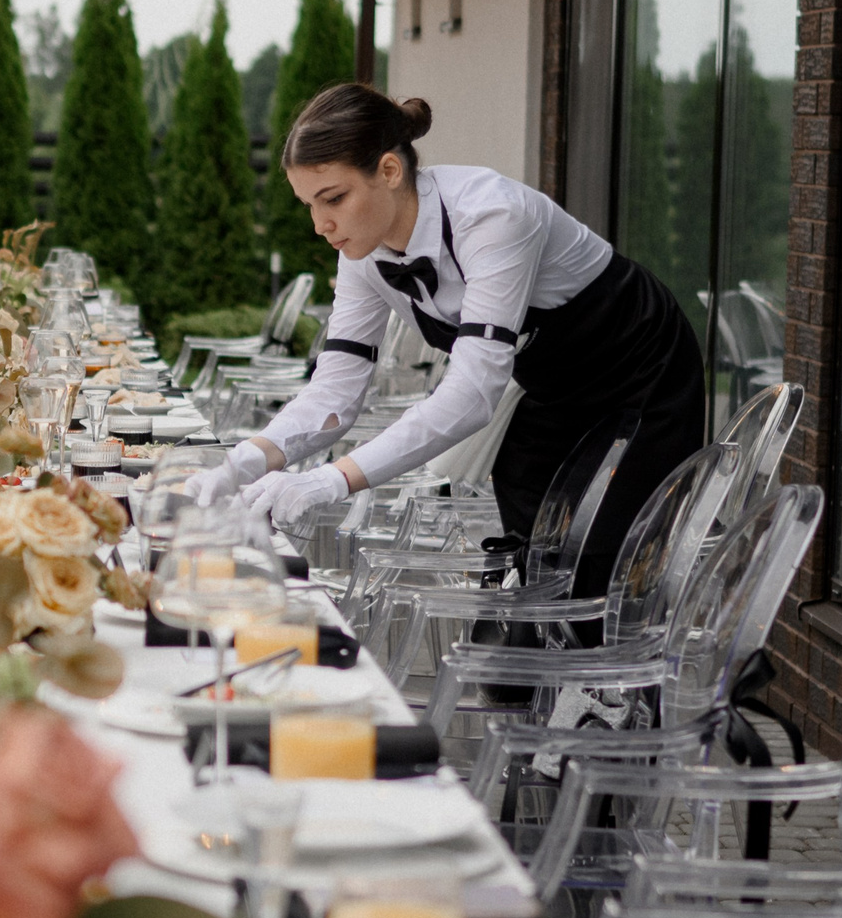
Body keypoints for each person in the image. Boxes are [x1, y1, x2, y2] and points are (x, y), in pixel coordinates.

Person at [189, 84, 706, 592]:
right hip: (550, 382)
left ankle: (636, 671)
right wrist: (238, 465)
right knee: (530, 548)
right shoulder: (362, 253)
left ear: (389, 170)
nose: (321, 224)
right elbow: (334, 394)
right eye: (308, 204)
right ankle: (537, 673)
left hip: (641, 366)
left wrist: (331, 479)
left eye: (334, 198)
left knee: (609, 554)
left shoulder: (492, 214)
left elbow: (473, 395)